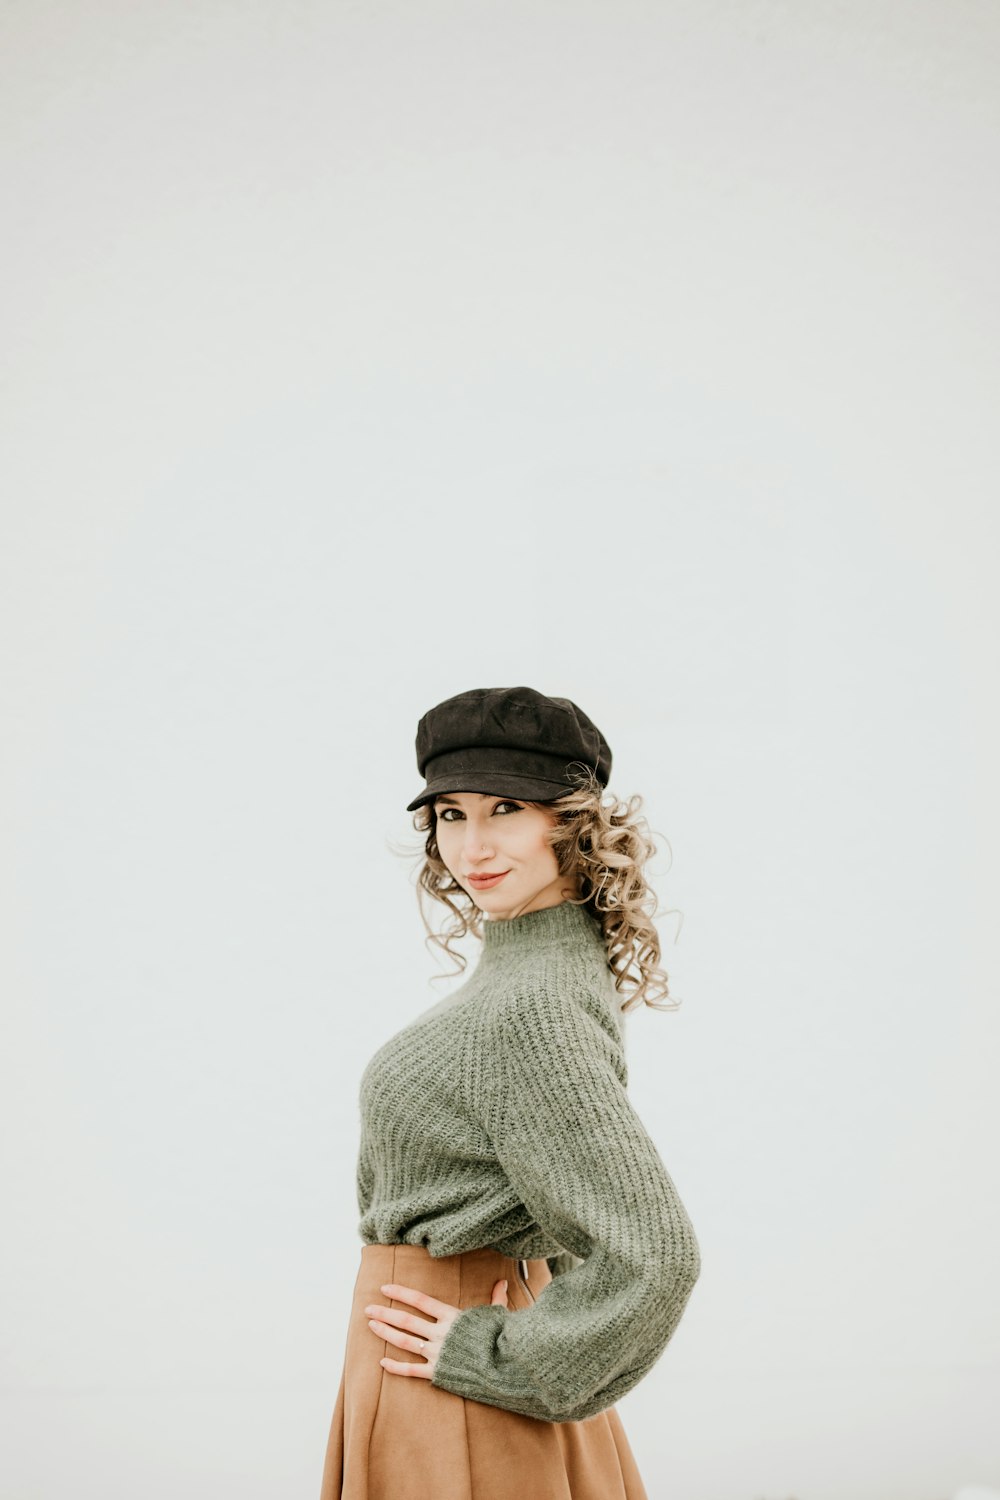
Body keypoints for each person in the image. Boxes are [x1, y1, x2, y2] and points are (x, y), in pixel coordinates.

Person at [319, 685, 701, 1500]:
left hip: (451, 1376)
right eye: (451, 814)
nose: (473, 844)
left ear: (571, 820)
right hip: (464, 1356)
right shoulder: (536, 966)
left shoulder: (529, 1006)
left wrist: (500, 1357)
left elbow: (654, 1255)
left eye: (506, 808)